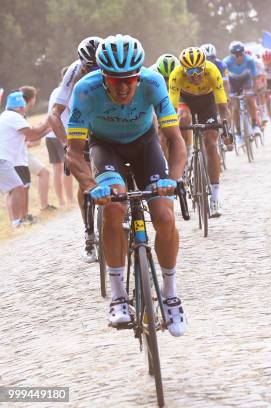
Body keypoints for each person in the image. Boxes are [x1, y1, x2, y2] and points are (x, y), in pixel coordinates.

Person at [66, 34, 188, 336]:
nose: (122, 87)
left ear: (138, 76)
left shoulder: (153, 82)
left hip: (145, 145)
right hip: (105, 148)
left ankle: (170, 295)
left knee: (164, 215)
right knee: (114, 208)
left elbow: (175, 140)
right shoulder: (85, 90)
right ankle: (119, 297)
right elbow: (73, 152)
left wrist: (174, 179)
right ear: (101, 76)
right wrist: (92, 185)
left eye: (129, 80)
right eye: (114, 80)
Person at [48, 36, 102, 263]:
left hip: (105, 121)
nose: (95, 70)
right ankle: (89, 233)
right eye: (89, 66)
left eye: (98, 65)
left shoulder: (112, 64)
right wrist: (66, 146)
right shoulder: (74, 71)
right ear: (82, 63)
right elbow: (54, 114)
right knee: (85, 182)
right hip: (79, 125)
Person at [168, 46, 231, 217]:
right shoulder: (176, 75)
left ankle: (215, 197)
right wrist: (170, 132)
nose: (195, 75)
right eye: (190, 71)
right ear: (183, 69)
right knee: (182, 118)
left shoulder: (212, 70)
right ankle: (186, 155)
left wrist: (226, 128)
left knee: (211, 142)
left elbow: (223, 106)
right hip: (185, 101)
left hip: (207, 103)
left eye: (198, 70)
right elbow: (171, 109)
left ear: (204, 66)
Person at [0, 91, 49, 228]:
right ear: (22, 107)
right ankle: (17, 222)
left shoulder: (6, 115)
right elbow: (32, 136)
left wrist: (46, 129)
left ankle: (16, 222)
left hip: (6, 159)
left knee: (14, 189)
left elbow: (30, 137)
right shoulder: (15, 117)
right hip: (3, 159)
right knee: (18, 188)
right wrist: (48, 126)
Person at [20, 86, 53, 213]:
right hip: (20, 154)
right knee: (44, 173)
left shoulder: (21, 113)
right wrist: (46, 127)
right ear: (32, 99)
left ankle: (25, 214)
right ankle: (43, 207)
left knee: (24, 185)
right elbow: (29, 137)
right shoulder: (21, 114)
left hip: (21, 152)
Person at [45, 68, 75, 207]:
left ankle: (62, 201)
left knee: (56, 170)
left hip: (50, 136)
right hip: (62, 133)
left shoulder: (54, 91)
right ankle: (70, 200)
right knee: (67, 168)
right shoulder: (68, 92)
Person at [223, 41, 262, 144]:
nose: (239, 57)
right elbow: (225, 82)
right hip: (233, 83)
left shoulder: (249, 60)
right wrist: (227, 96)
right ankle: (239, 134)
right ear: (232, 55)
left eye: (241, 54)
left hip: (246, 81)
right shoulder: (226, 62)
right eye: (236, 55)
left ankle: (255, 125)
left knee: (250, 99)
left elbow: (254, 77)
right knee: (235, 108)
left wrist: (255, 90)